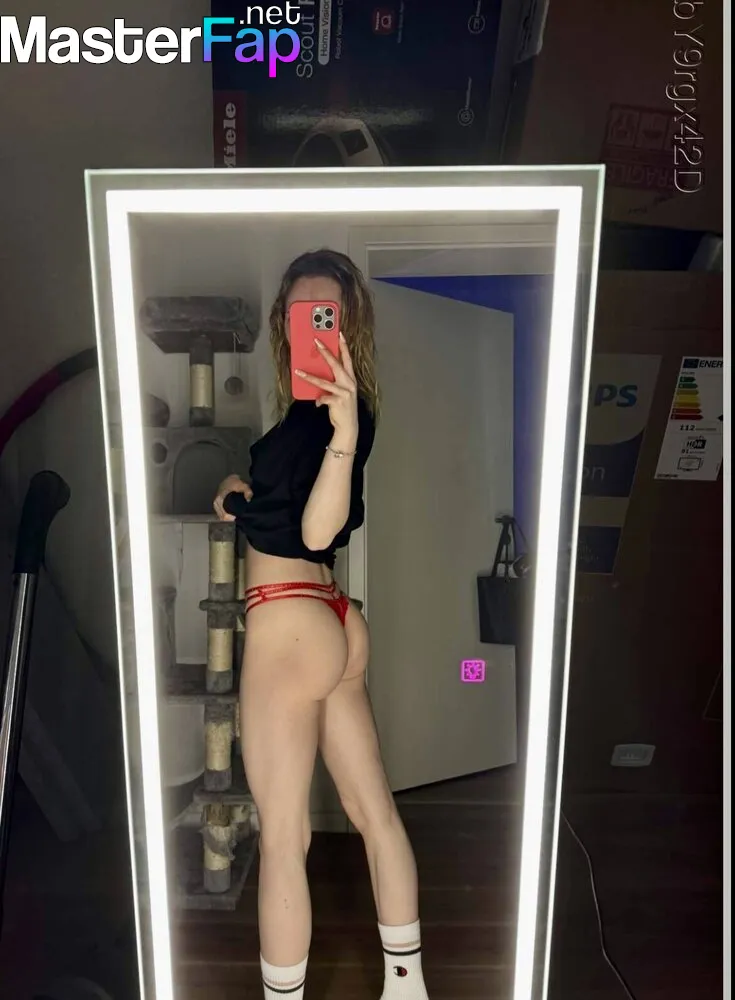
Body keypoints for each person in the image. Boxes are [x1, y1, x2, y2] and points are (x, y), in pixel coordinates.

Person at [213, 249, 430, 1000]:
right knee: (376, 816)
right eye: (301, 311)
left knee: (284, 838)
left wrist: (341, 437)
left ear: (346, 323)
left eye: (325, 313)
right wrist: (240, 493)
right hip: (331, 620)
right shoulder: (312, 416)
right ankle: (406, 985)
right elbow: (286, 513)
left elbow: (315, 531)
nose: (311, 324)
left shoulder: (340, 416)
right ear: (285, 321)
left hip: (289, 624)